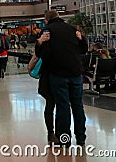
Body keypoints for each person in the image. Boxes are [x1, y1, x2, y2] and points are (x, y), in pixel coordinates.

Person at [35, 10, 88, 147]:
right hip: (76, 74)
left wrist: (40, 42)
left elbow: (43, 54)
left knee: (63, 107)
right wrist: (81, 39)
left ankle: (65, 140)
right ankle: (81, 138)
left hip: (58, 74)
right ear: (59, 16)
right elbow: (83, 49)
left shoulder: (47, 31)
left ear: (46, 20)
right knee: (78, 106)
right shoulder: (72, 29)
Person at [28, 52, 58, 144]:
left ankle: (51, 132)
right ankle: (53, 132)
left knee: (50, 105)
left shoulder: (44, 43)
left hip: (46, 81)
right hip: (51, 80)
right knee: (54, 105)